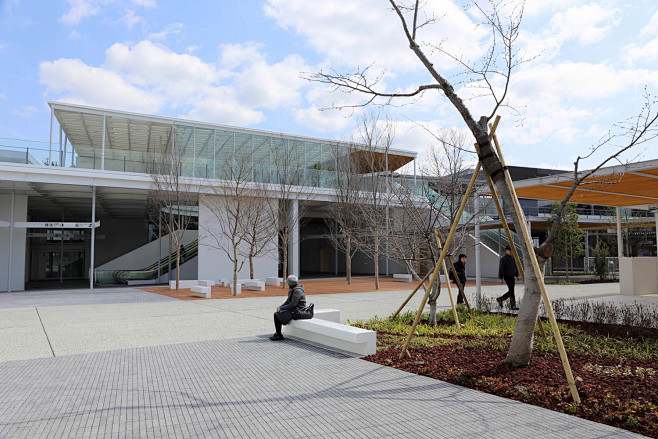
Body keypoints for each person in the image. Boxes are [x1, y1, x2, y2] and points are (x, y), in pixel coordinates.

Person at [270, 275, 307, 341]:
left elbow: (293, 304)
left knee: (277, 315)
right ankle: (278, 333)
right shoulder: (292, 290)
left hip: (298, 310)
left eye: (288, 283)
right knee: (277, 313)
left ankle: (279, 335)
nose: (287, 284)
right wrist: (280, 307)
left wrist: (282, 308)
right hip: (294, 309)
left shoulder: (297, 291)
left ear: (290, 283)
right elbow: (288, 301)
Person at [497, 245, 520, 310]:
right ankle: (513, 305)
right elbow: (501, 269)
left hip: (512, 276)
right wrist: (501, 278)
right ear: (506, 250)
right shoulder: (503, 259)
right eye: (509, 250)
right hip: (507, 276)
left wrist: (517, 275)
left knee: (511, 290)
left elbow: (515, 267)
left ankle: (500, 299)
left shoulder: (512, 257)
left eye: (511, 250)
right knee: (511, 291)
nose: (511, 252)